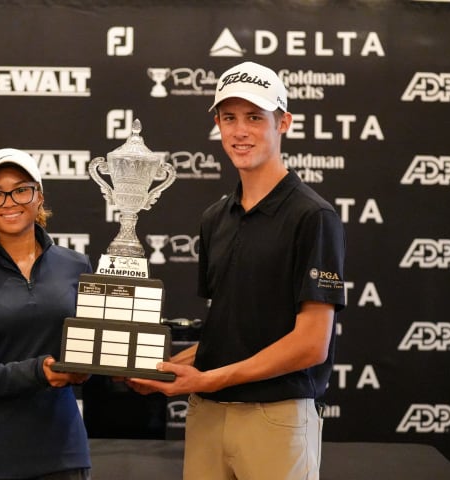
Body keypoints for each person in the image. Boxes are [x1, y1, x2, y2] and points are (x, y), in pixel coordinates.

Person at [128, 61, 346, 480]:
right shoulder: (215, 218)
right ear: (217, 124)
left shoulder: (313, 216)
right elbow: (230, 334)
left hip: (274, 417)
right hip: (208, 415)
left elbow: (311, 344)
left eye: (254, 118)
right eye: (229, 118)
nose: (240, 131)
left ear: (283, 122)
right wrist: (162, 367)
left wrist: (209, 379)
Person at [0, 148, 92, 480]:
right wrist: (38, 371)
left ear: (39, 196)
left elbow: (89, 351)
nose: (9, 201)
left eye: (21, 189)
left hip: (63, 452)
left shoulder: (77, 265)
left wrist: (90, 369)